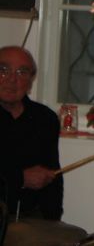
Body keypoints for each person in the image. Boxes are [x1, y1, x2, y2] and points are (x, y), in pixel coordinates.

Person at [0, 46, 63, 221]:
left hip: (32, 220)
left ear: (30, 82)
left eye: (22, 72)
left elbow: (54, 176)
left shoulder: (45, 118)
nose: (12, 79)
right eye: (3, 70)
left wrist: (53, 221)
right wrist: (20, 179)